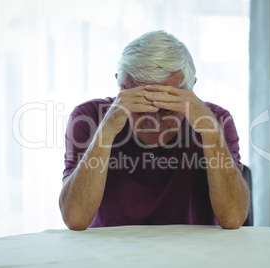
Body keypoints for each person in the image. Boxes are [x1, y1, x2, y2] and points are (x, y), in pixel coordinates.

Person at [59, 30, 250, 230]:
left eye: (168, 109)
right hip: (110, 255)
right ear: (122, 89)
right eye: (141, 108)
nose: (155, 125)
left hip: (192, 254)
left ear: (191, 89)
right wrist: (105, 132)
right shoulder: (88, 117)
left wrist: (210, 132)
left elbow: (234, 218)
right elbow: (75, 219)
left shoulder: (217, 120)